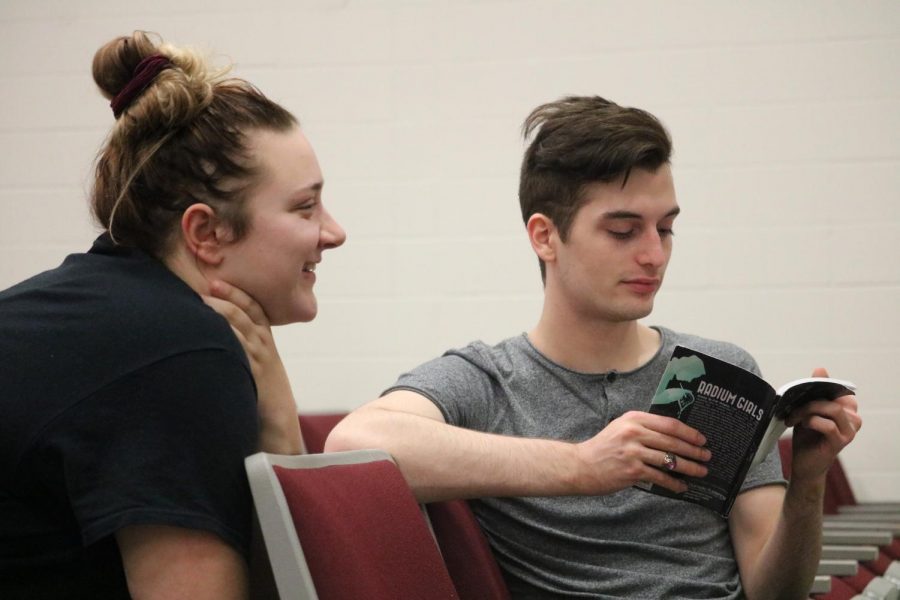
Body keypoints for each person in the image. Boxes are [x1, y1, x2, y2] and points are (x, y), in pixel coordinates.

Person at [324, 96, 861, 598]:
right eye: (624, 231)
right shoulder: (488, 381)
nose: (654, 255)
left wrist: (808, 483)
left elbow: (775, 590)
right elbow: (351, 442)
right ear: (545, 237)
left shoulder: (720, 373)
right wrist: (583, 465)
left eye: (666, 229)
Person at [0, 31, 345, 599]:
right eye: (305, 206)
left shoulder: (110, 314)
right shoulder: (176, 349)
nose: (334, 232)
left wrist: (279, 415)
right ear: (205, 232)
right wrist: (279, 424)